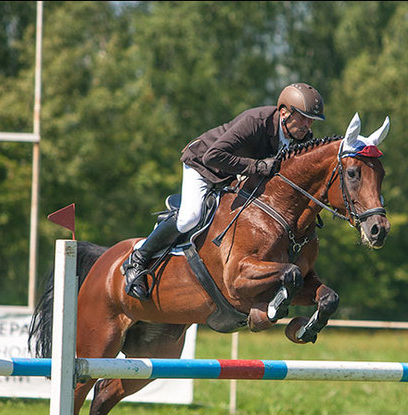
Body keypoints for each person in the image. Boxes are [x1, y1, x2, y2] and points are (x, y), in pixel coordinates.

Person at [122, 82, 326, 299]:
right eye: (303, 118)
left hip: (232, 176)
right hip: (203, 165)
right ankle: (138, 258)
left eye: (311, 119)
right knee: (189, 218)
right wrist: (257, 166)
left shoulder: (303, 139)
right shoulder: (256, 121)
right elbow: (213, 156)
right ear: (284, 112)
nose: (307, 124)